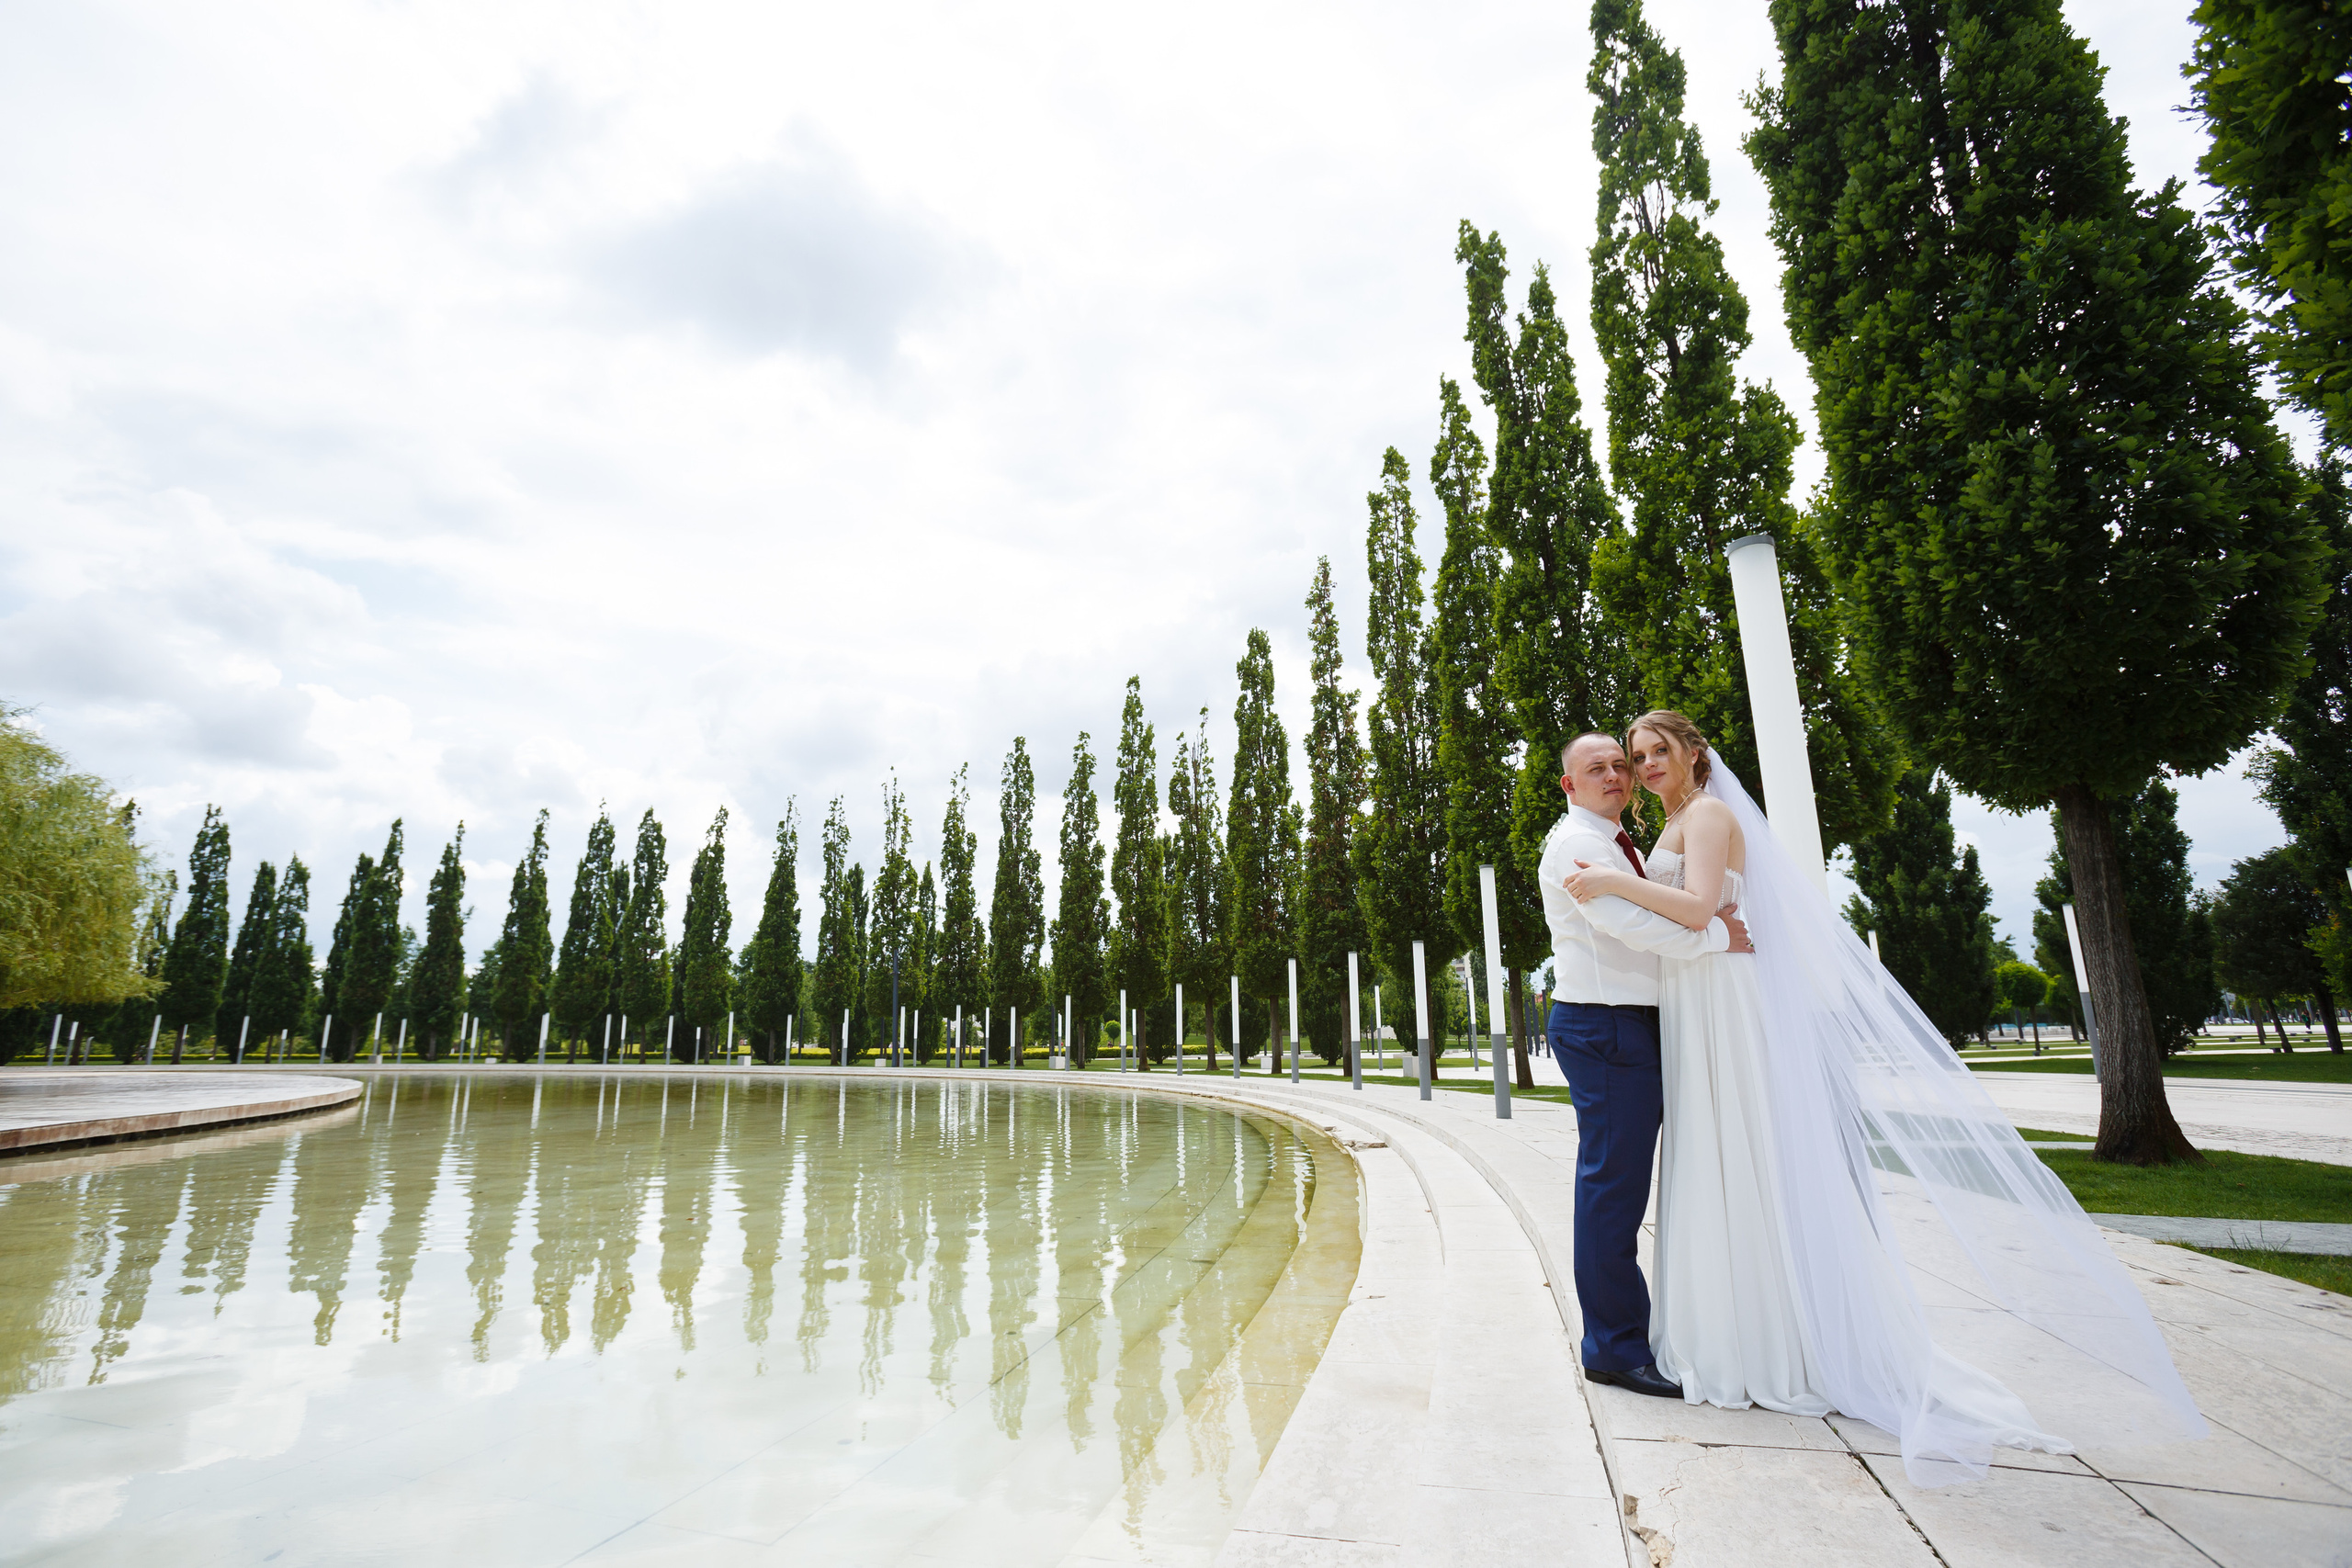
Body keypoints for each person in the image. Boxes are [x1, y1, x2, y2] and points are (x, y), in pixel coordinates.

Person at [1561, 710, 2205, 1484]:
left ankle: (1754, 1337)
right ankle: (1710, 1329)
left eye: (1655, 752)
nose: (1642, 765)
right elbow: (1690, 919)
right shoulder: (1642, 829)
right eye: (1635, 755)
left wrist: (1614, 881)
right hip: (1693, 996)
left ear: (1695, 752)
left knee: (1735, 1155)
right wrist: (1626, 888)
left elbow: (1699, 908)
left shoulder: (1707, 813)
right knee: (1707, 1161)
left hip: (1718, 999)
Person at [1536, 731, 1752, 1399]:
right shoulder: (1577, 846)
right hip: (1604, 1024)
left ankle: (1632, 1331)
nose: (1615, 774)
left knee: (1622, 1187)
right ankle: (1612, 1347)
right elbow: (1626, 924)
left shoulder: (1619, 842)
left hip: (1633, 1022)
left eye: (1620, 764)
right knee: (1612, 1191)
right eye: (1594, 767)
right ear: (1569, 784)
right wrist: (1717, 935)